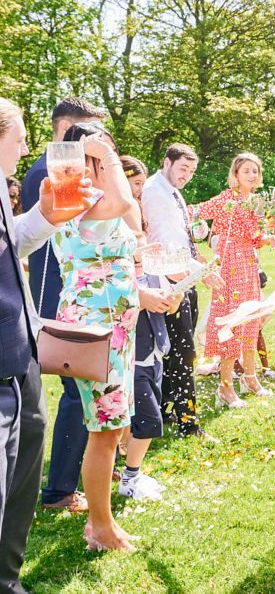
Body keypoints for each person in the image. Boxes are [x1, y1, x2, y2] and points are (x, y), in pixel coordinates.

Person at [0, 98, 93, 593]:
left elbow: (9, 243)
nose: (24, 152)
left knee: (25, 463)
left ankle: (8, 579)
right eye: (18, 140)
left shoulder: (4, 182)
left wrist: (45, 215)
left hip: (21, 346)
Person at [50, 123, 139, 550]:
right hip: (97, 326)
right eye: (100, 152)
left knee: (112, 424)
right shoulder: (76, 197)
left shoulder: (92, 196)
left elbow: (128, 230)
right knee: (105, 427)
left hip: (113, 323)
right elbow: (124, 201)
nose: (109, 157)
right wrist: (102, 156)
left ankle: (102, 521)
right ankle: (100, 528)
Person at [21, 98, 105, 515]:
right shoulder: (50, 170)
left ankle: (65, 483)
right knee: (76, 391)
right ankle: (58, 491)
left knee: (80, 392)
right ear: (68, 128)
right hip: (59, 295)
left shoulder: (60, 167)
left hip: (70, 292)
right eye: (89, 131)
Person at [142, 143, 223, 439]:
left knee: (179, 351)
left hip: (183, 278)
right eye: (183, 168)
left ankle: (166, 412)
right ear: (167, 162)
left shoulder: (172, 191)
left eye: (191, 170)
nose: (187, 175)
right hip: (167, 283)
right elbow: (164, 245)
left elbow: (179, 239)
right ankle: (188, 423)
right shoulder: (154, 191)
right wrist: (198, 273)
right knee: (182, 351)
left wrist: (200, 268)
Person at [118, 156, 181, 500]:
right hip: (130, 346)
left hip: (155, 340)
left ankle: (129, 471)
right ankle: (130, 477)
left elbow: (159, 280)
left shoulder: (146, 244)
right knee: (147, 416)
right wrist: (142, 299)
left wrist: (169, 299)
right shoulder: (114, 247)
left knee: (143, 410)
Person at [193, 153, 272, 402]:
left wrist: (273, 239)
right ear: (235, 175)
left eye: (255, 171)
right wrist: (195, 237)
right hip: (229, 263)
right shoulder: (228, 198)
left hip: (249, 262)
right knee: (232, 321)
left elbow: (257, 238)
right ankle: (225, 387)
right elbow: (196, 211)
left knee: (251, 318)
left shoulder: (256, 201)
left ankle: (250, 378)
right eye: (246, 170)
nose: (251, 175)